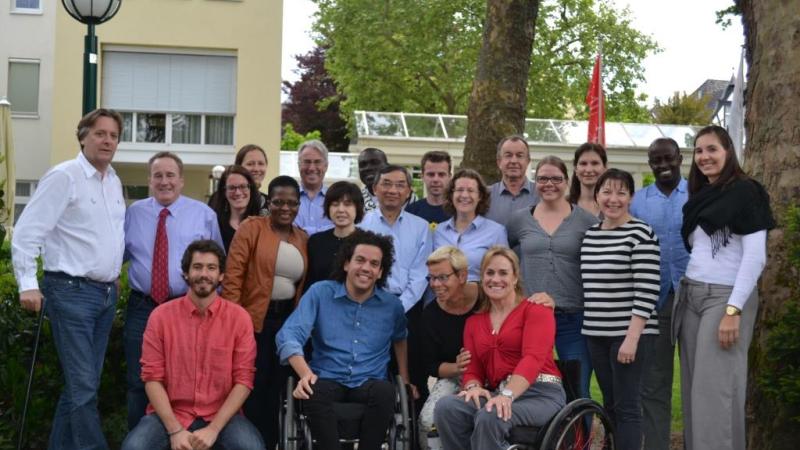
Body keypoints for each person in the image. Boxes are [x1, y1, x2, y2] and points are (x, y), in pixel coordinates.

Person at [12, 108, 126, 450]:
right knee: (84, 388)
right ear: (83, 137)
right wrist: (27, 283)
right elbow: (26, 232)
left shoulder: (114, 181)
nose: (107, 141)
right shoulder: (65, 176)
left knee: (80, 387)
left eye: (113, 136)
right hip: (70, 292)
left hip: (106, 296)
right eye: (100, 133)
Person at [675, 125, 774, 450]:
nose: (705, 157)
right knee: (694, 392)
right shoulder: (701, 197)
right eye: (699, 151)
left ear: (728, 151)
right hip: (691, 295)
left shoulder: (747, 192)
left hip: (725, 298)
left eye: (712, 149)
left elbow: (755, 257)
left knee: (715, 393)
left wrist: (733, 309)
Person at [276, 229, 412, 450]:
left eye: (374, 264)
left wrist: (404, 378)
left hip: (369, 380)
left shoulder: (392, 306)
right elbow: (289, 335)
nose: (366, 268)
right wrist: (305, 374)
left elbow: (400, 337)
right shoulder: (320, 293)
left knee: (386, 391)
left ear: (380, 272)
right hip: (327, 376)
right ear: (346, 263)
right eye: (360, 260)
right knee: (313, 390)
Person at [120, 240, 263, 450]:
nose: (204, 274)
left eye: (211, 268)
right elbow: (152, 379)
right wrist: (175, 430)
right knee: (134, 447)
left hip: (222, 416)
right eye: (197, 267)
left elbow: (244, 381)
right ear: (186, 273)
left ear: (221, 276)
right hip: (170, 414)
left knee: (251, 447)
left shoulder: (239, 319)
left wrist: (213, 429)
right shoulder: (160, 317)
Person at [123, 151, 224, 429]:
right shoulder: (134, 213)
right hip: (142, 307)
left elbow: (217, 263)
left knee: (188, 379)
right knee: (138, 379)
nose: (164, 181)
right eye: (158, 175)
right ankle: (142, 440)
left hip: (187, 307)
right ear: (149, 180)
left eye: (170, 175)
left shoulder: (203, 215)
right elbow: (116, 256)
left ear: (181, 180)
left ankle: (189, 438)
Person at [433, 247, 566, 450]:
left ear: (515, 278)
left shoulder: (537, 310)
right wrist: (473, 387)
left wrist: (508, 395)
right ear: (482, 277)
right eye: (490, 273)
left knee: (492, 413)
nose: (496, 279)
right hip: (498, 393)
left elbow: (533, 358)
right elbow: (473, 367)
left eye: (503, 273)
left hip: (541, 394)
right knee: (447, 407)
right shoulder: (474, 323)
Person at [222, 175, 308, 449]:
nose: (285, 208)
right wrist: (236, 323)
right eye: (279, 201)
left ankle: (271, 443)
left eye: (292, 203)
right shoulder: (251, 228)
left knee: (278, 393)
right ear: (268, 202)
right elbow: (233, 277)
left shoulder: (302, 237)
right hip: (253, 322)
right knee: (252, 389)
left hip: (287, 325)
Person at [580, 169, 660, 450]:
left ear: (631, 197)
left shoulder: (640, 233)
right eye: (607, 192)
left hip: (629, 336)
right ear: (597, 195)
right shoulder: (590, 234)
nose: (613, 199)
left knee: (627, 407)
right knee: (609, 404)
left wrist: (632, 338)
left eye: (621, 192)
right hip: (596, 334)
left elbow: (648, 290)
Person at [507, 156, 598, 402]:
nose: (549, 184)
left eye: (556, 178)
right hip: (532, 317)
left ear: (567, 182)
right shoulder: (519, 220)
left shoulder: (586, 221)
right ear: (536, 182)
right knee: (532, 386)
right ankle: (542, 439)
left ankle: (580, 441)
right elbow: (509, 256)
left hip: (573, 316)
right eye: (543, 178)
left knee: (577, 389)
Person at [629, 138, 689, 450]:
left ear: (680, 158)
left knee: (697, 382)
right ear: (650, 164)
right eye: (656, 161)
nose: (663, 165)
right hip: (655, 302)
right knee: (654, 385)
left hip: (694, 298)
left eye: (668, 159)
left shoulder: (699, 194)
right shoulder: (638, 201)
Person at [360, 164, 432, 408]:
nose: (393, 190)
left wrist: (397, 307)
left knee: (412, 379)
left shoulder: (420, 227)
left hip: (409, 309)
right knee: (372, 376)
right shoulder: (362, 225)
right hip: (368, 307)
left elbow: (421, 275)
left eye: (400, 185)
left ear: (409, 191)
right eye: (387, 184)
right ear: (374, 189)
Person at [418, 246, 478, 449]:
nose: (436, 284)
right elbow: (431, 365)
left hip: (495, 369)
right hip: (455, 375)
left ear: (462, 276)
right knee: (427, 420)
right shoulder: (431, 314)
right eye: (431, 278)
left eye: (443, 277)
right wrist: (457, 367)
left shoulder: (486, 296)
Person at [433, 168, 507, 301]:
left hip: (481, 304)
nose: (465, 195)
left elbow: (504, 274)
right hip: (443, 304)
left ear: (480, 197)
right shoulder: (439, 231)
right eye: (460, 190)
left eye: (471, 191)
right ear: (451, 195)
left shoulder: (496, 232)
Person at [305, 181, 365, 289]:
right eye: (335, 204)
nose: (341, 210)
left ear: (358, 208)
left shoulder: (368, 242)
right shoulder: (316, 241)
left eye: (347, 204)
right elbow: (309, 281)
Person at [485, 135, 539, 226]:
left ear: (528, 161)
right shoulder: (485, 196)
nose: (514, 161)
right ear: (499, 162)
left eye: (519, 155)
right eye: (508, 155)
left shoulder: (540, 195)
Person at [208, 165, 263, 252]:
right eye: (231, 188)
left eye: (243, 186)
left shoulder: (262, 224)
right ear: (224, 192)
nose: (237, 192)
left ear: (251, 189)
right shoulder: (215, 225)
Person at [357, 147, 417, 212]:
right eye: (363, 165)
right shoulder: (355, 200)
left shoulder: (409, 199)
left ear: (387, 167)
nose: (368, 168)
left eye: (374, 163)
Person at [294, 140, 334, 235]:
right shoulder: (288, 198)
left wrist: (302, 232)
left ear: (326, 166)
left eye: (317, 162)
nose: (311, 168)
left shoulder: (335, 199)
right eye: (307, 162)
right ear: (299, 165)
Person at [406, 150, 452, 226]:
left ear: (449, 177)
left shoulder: (458, 212)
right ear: (422, 176)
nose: (436, 179)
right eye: (431, 174)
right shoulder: (411, 212)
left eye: (441, 174)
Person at [569, 142, 608, 217]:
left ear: (605, 168)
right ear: (575, 169)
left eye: (595, 163)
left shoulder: (614, 205)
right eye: (583, 163)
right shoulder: (563, 205)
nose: (589, 170)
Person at [235, 144, 270, 212]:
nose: (256, 169)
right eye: (250, 164)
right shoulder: (223, 200)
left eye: (261, 163)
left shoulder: (270, 204)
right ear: (238, 167)